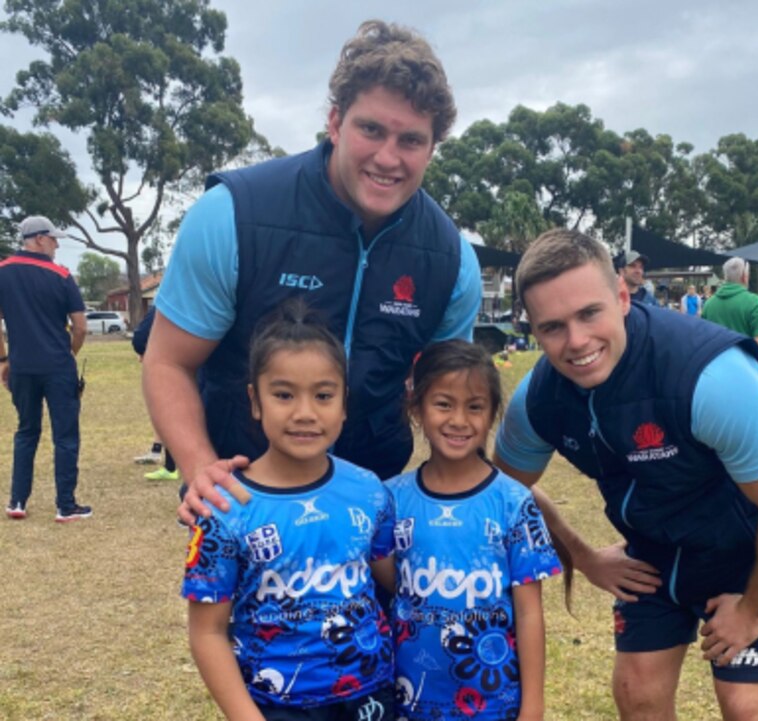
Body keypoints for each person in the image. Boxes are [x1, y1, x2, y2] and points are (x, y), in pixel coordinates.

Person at [144, 21, 482, 518]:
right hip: (245, 499)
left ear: (432, 148)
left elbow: (451, 393)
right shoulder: (232, 215)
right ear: (335, 122)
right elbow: (169, 361)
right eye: (371, 129)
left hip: (375, 506)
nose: (388, 158)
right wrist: (199, 467)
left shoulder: (452, 259)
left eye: (410, 140)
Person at [493, 228, 758, 719]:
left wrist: (753, 611)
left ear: (622, 297)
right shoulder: (538, 399)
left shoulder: (710, 377)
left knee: (744, 705)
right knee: (636, 694)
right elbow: (499, 496)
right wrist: (582, 556)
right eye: (552, 327)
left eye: (589, 314)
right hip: (651, 557)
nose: (577, 342)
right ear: (531, 329)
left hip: (743, 558)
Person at [183, 301, 397, 719]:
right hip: (275, 705)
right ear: (255, 400)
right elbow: (207, 632)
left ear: (344, 403)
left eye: (323, 395)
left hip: (372, 696)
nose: (304, 413)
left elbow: (399, 582)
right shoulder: (225, 508)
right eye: (283, 394)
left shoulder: (369, 491)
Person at [384, 340, 561, 720]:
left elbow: (529, 613)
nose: (459, 421)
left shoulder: (514, 503)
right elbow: (386, 583)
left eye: (475, 407)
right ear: (416, 408)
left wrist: (532, 707)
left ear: (493, 413)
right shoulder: (390, 499)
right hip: (409, 701)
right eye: (444, 404)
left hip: (494, 703)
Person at [0, 216, 91, 521]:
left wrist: (3, 360)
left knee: (26, 431)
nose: (56, 244)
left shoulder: (3, 272)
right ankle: (65, 504)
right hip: (57, 365)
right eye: (53, 239)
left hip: (21, 366)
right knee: (65, 435)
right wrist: (69, 353)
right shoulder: (61, 275)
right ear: (39, 239)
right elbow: (80, 326)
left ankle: (17, 501)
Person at [131, 307, 180, 481]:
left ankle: (171, 465)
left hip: (174, 363)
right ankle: (159, 452)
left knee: (167, 410)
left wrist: (146, 351)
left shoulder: (166, 302)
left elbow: (140, 338)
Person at [702, 256, 758, 365]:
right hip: (744, 366)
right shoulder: (753, 301)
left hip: (716, 366)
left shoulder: (709, 304)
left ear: (725, 277)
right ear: (744, 277)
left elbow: (704, 340)